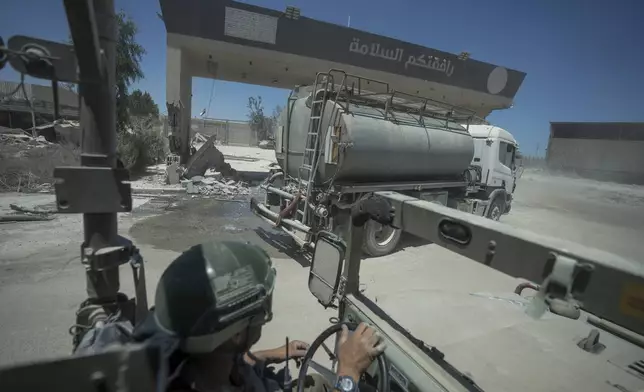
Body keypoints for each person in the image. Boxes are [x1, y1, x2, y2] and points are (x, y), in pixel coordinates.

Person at [133, 241, 385, 392]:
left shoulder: (192, 360)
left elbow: (225, 360)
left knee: (317, 382)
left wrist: (271, 354)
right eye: (257, 311)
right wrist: (349, 372)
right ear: (238, 334)